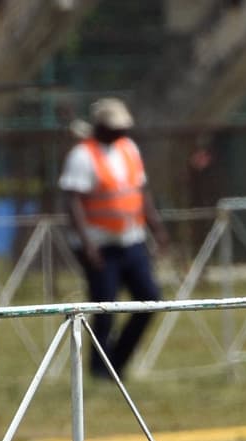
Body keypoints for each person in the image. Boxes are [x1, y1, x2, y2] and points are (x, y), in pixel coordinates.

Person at [59, 97, 171, 378]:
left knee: (149, 299)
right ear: (101, 126)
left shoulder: (128, 149)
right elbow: (72, 202)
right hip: (99, 245)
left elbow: (141, 192)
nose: (122, 133)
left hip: (131, 240)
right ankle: (100, 370)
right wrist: (87, 245)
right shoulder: (82, 155)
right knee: (104, 306)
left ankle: (117, 361)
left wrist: (157, 228)